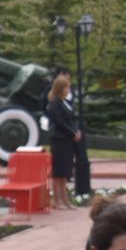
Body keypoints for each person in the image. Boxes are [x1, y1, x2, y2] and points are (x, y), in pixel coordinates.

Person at [47, 70, 84, 210]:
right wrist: (71, 133)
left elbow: (70, 119)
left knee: (65, 172)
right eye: (67, 87)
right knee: (58, 172)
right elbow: (59, 121)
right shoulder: (55, 103)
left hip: (67, 140)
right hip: (59, 140)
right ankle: (57, 200)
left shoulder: (65, 102)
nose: (69, 89)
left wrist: (76, 131)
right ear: (60, 88)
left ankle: (65, 199)